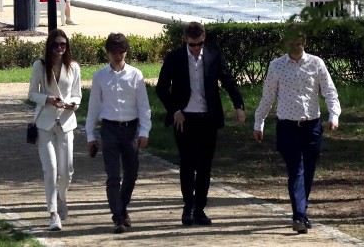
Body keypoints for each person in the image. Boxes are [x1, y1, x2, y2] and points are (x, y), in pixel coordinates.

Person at [156, 21, 246, 226]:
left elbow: (229, 81)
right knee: (187, 164)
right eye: (191, 45)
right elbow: (162, 88)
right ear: (185, 41)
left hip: (208, 118)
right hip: (184, 119)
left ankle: (200, 209)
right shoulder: (175, 57)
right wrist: (175, 110)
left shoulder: (214, 55)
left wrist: (239, 105)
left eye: (198, 44)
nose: (195, 49)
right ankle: (188, 207)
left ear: (204, 38)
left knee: (205, 166)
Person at [253, 27, 341, 234]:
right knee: (296, 170)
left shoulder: (316, 63)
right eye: (291, 44)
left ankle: (302, 212)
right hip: (287, 127)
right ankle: (299, 216)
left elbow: (329, 91)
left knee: (308, 171)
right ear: (286, 44)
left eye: (299, 44)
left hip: (311, 125)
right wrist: (259, 122)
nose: (295, 48)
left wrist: (334, 115)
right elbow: (268, 97)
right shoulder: (276, 66)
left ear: (304, 43)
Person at [85, 33, 152, 234]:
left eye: (121, 52)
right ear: (108, 53)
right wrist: (90, 135)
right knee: (113, 176)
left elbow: (144, 106)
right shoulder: (100, 77)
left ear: (126, 52)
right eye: (114, 52)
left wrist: (144, 130)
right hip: (109, 129)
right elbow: (93, 108)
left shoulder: (135, 75)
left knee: (131, 174)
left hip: (130, 129)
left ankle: (122, 207)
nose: (118, 56)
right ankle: (118, 217)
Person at [28, 29, 82, 232]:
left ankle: (61, 196)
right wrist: (47, 99)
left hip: (66, 122)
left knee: (66, 170)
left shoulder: (73, 67)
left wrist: (73, 104)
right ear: (49, 46)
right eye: (56, 44)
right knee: (50, 169)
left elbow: (77, 94)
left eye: (63, 44)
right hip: (45, 123)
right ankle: (53, 213)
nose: (60, 48)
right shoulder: (40, 66)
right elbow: (32, 93)